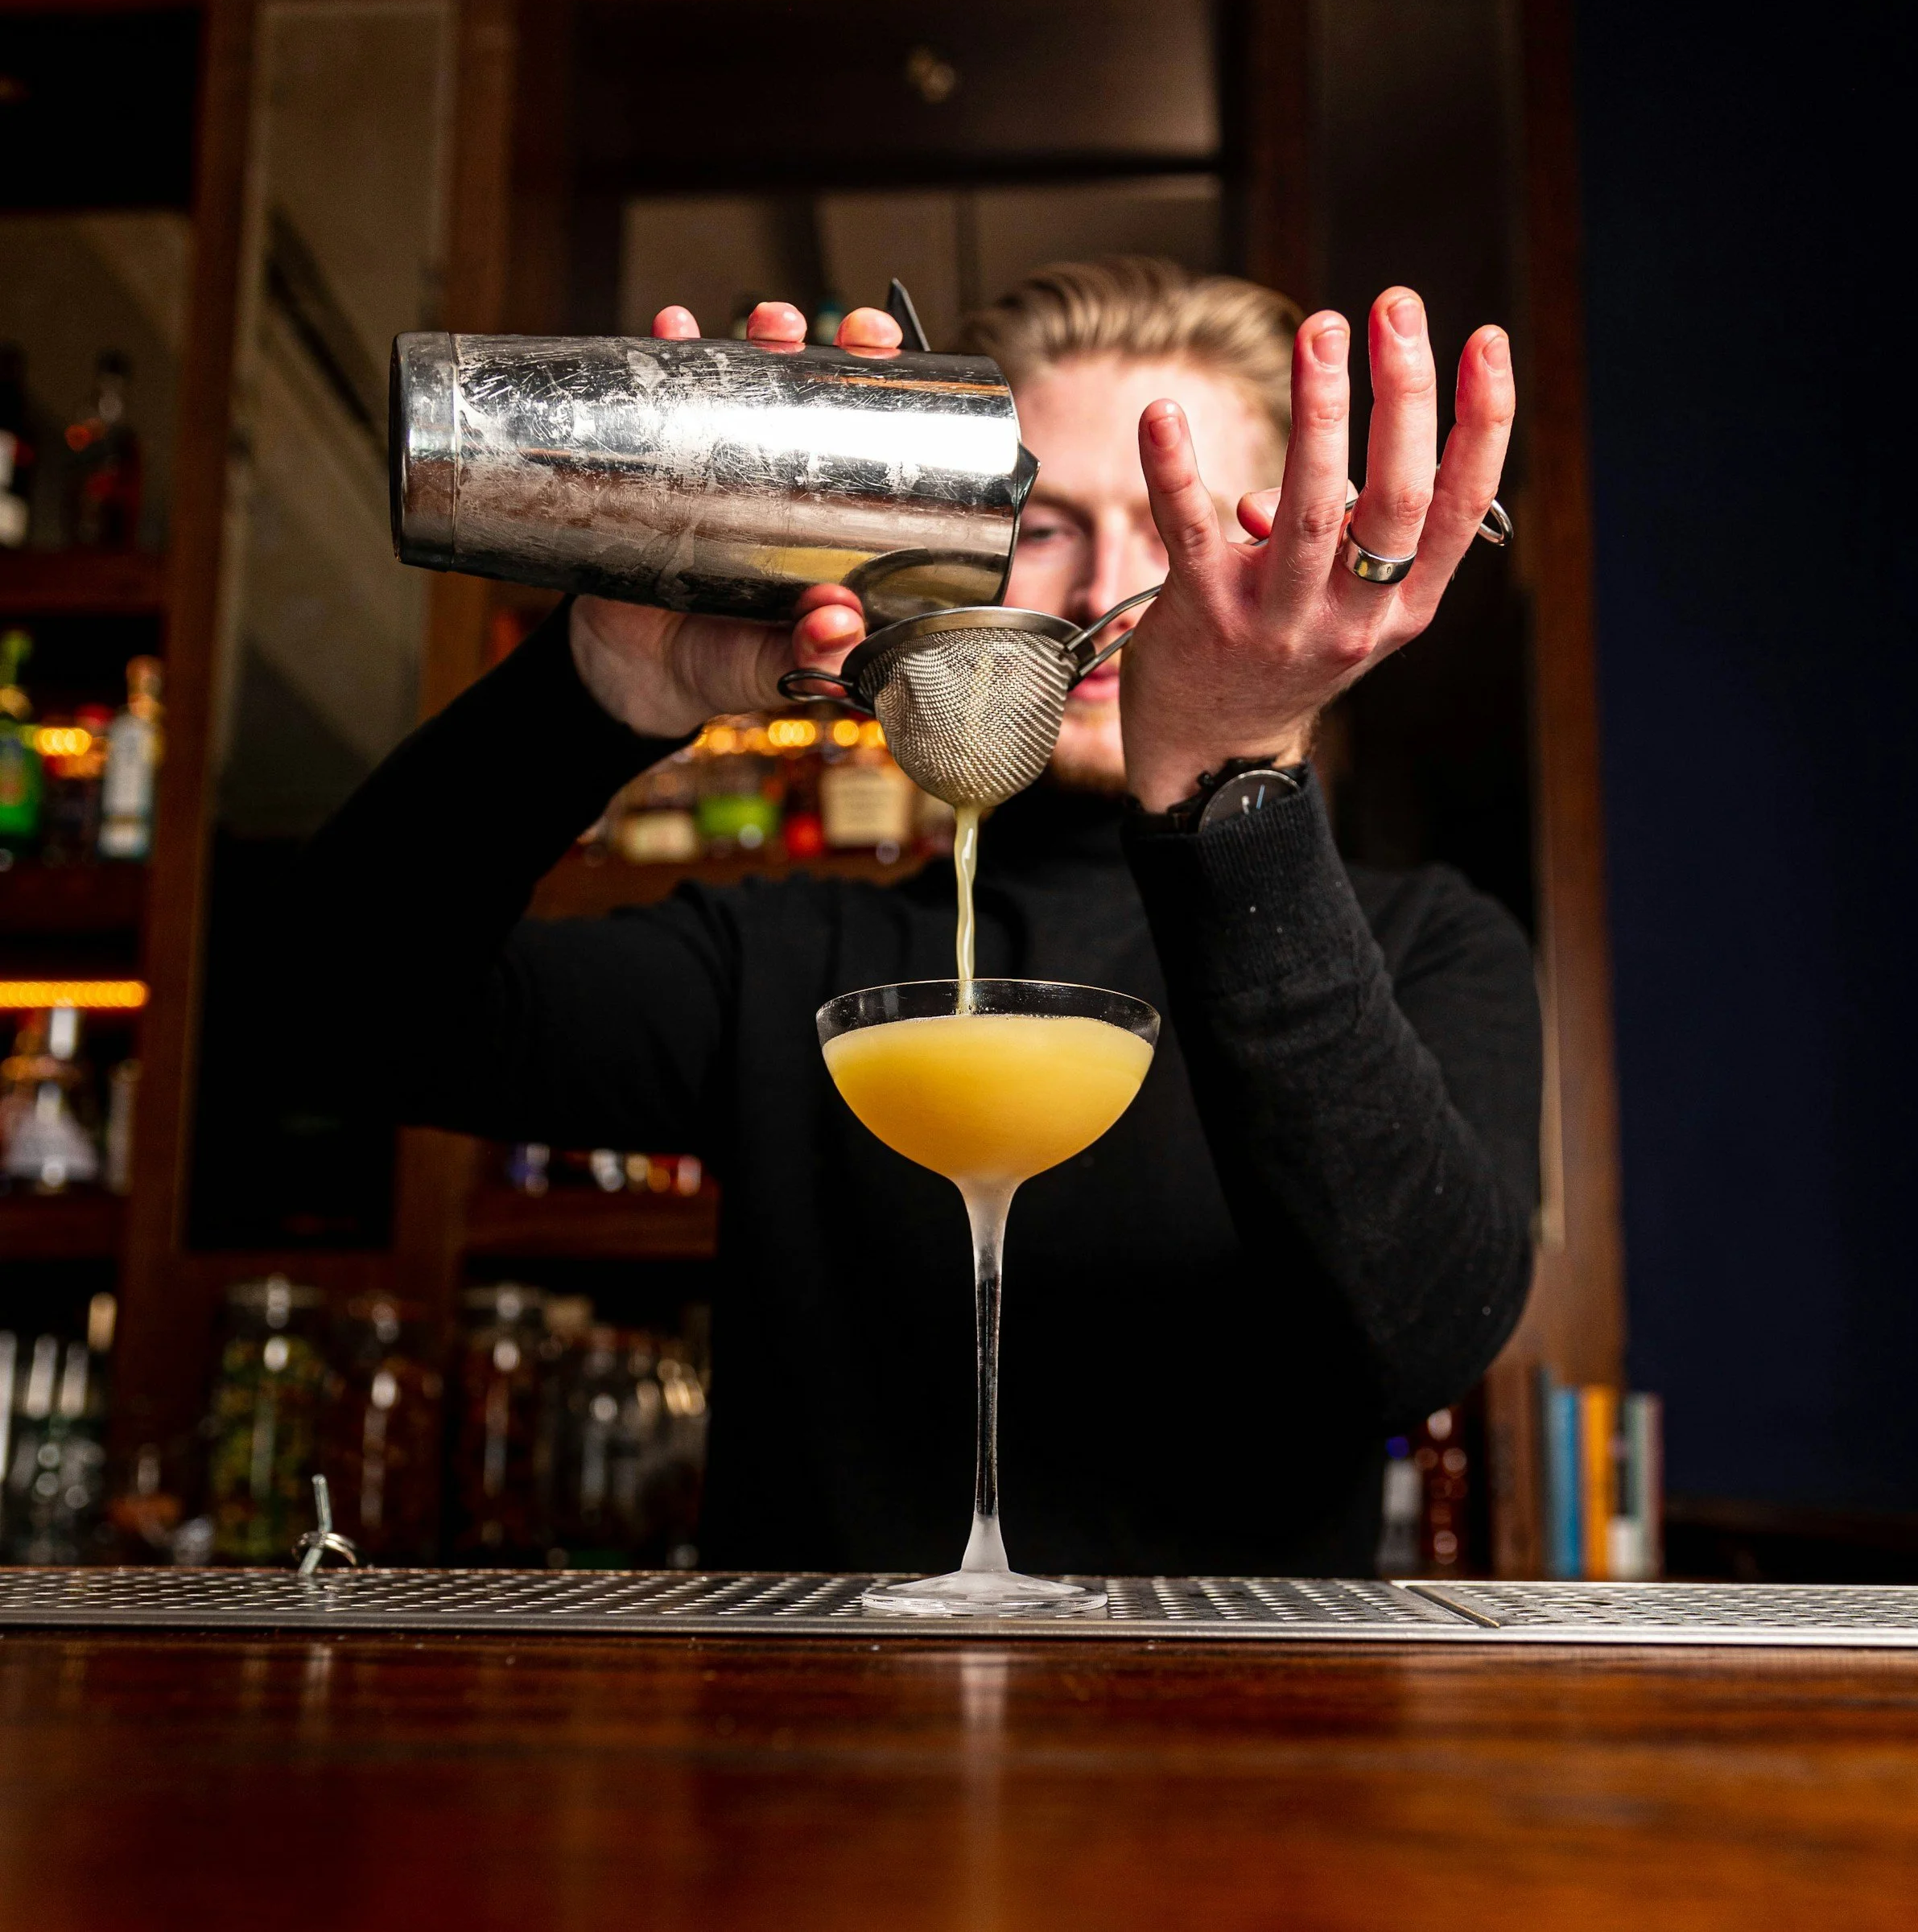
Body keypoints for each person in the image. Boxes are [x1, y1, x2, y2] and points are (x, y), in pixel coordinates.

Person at [303, 257, 1538, 1576]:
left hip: (1244, 1754)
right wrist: (592, 693)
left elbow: (1409, 1344)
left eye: (1180, 525)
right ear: (948, 557)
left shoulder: (1429, 945)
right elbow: (334, 1011)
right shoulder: (793, 964)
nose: (1102, 589)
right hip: (812, 1752)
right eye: (1046, 524)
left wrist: (1228, 789)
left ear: (1295, 550)